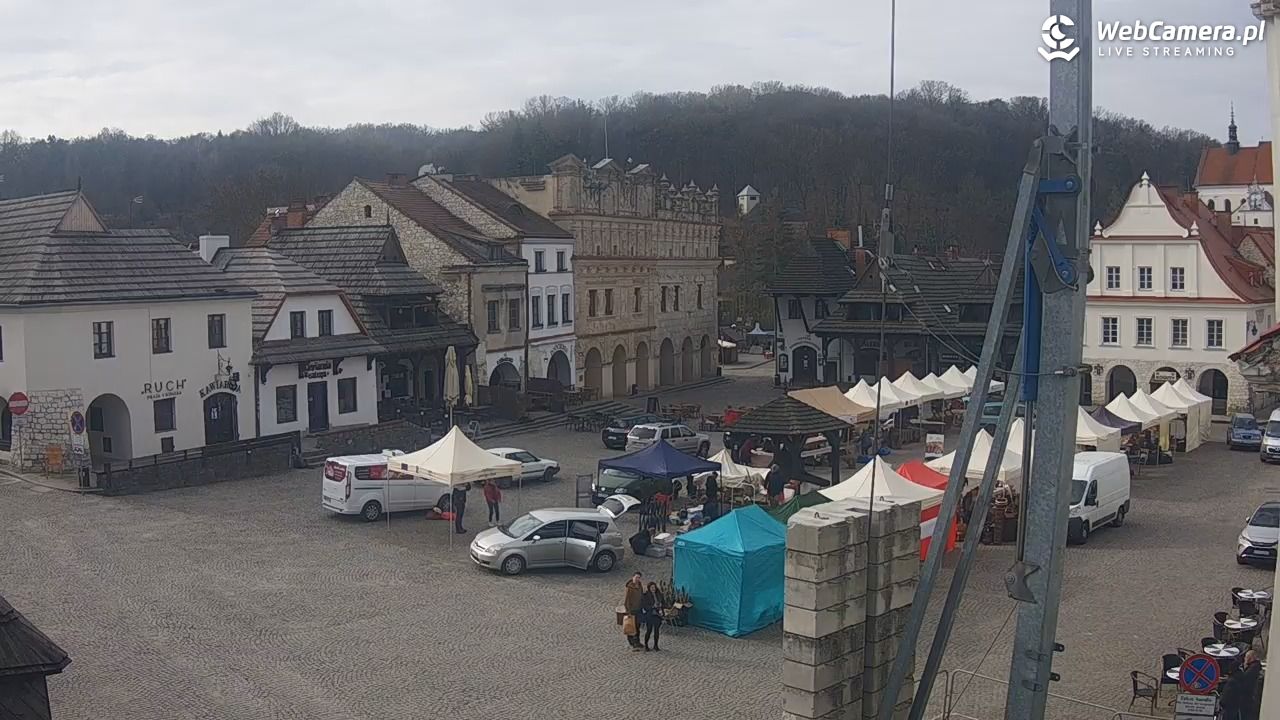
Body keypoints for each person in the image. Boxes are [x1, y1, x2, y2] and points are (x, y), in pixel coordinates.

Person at [1220, 650, 1262, 720]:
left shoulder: (1252, 669)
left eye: (1245, 657)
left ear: (1250, 658)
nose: (1244, 659)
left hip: (1245, 700)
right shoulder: (1253, 667)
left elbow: (1244, 682)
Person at [623, 572, 644, 650]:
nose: (637, 579)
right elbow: (627, 600)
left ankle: (637, 641)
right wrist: (628, 611)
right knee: (631, 627)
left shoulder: (640, 586)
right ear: (633, 577)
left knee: (638, 626)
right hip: (632, 610)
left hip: (639, 609)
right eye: (636, 577)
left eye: (639, 577)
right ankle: (632, 642)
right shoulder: (630, 587)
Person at [641, 581, 665, 651]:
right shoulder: (646, 595)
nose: (653, 589)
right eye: (651, 587)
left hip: (658, 615)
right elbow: (645, 607)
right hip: (650, 615)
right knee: (649, 630)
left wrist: (661, 606)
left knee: (657, 631)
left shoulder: (659, 594)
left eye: (654, 587)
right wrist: (652, 606)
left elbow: (664, 603)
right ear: (649, 588)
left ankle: (656, 645)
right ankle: (646, 645)